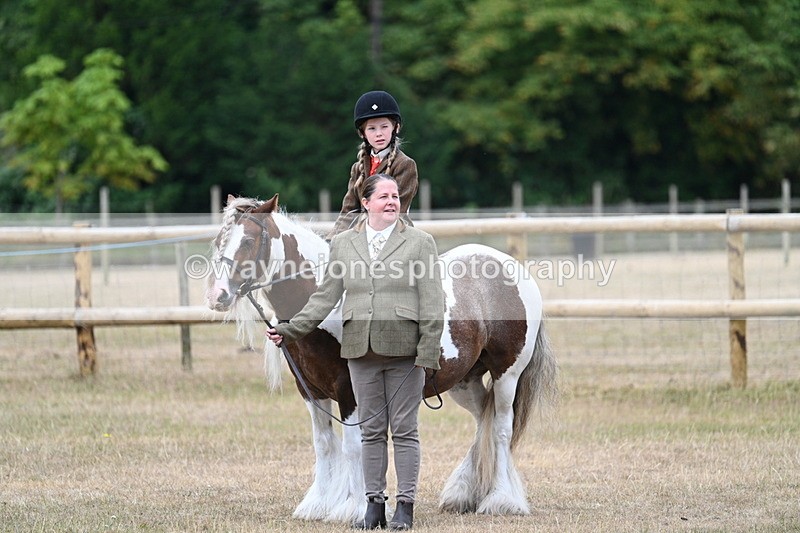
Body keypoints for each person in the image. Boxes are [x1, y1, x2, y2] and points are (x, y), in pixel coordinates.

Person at [267, 174, 444, 530]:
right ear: (366, 203)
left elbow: (433, 302)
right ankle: (374, 505)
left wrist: (427, 353)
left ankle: (405, 507)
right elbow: (324, 298)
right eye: (384, 196)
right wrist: (289, 329)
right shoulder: (345, 244)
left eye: (395, 196)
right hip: (360, 352)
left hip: (405, 352)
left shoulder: (420, 243)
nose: (392, 201)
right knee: (372, 431)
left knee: (405, 431)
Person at [327, 90, 419, 240]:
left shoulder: (405, 165)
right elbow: (349, 211)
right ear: (362, 133)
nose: (379, 134)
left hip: (395, 237)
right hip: (362, 234)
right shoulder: (358, 168)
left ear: (395, 128)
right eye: (372, 128)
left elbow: (395, 212)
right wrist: (333, 240)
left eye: (384, 127)